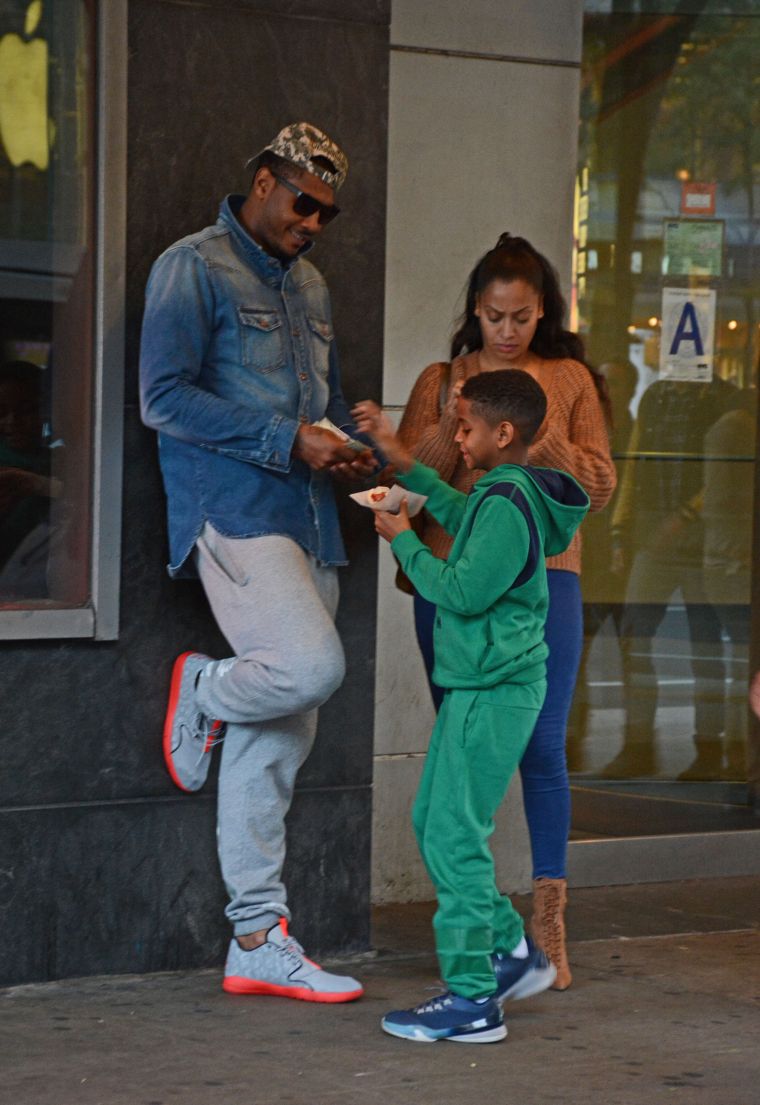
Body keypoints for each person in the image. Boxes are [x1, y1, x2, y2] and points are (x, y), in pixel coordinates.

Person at [139, 123, 377, 1002]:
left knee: (279, 734)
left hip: (308, 519)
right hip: (233, 511)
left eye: (327, 213)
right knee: (310, 667)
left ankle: (255, 937)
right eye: (302, 203)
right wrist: (288, 439)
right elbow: (162, 399)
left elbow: (323, 404)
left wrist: (353, 447)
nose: (312, 223)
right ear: (265, 181)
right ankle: (204, 687)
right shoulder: (191, 266)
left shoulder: (310, 284)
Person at [393, 233, 616, 988]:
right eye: (494, 317)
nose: (508, 330)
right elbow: (417, 473)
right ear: (476, 312)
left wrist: (532, 431)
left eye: (522, 316)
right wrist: (455, 414)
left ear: (543, 310)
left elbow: (598, 484)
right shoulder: (443, 379)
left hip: (547, 578)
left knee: (542, 744)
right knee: (460, 756)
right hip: (451, 576)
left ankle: (546, 919)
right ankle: (483, 922)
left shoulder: (569, 380)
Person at [353, 370, 589, 1043]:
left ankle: (473, 998)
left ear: (503, 432)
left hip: (494, 690)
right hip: (481, 686)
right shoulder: (502, 491)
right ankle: (512, 950)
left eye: (464, 428)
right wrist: (404, 467)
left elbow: (461, 591)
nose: (456, 439)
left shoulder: (509, 502)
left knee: (455, 834)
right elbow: (459, 513)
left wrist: (402, 539)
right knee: (435, 820)